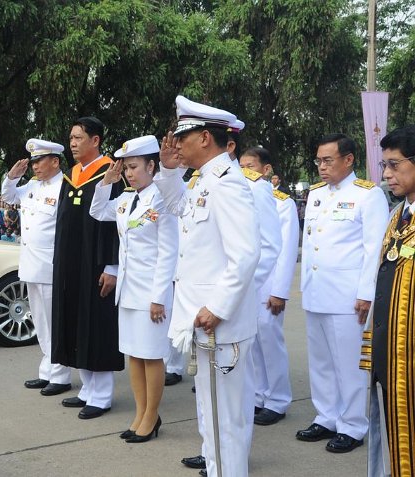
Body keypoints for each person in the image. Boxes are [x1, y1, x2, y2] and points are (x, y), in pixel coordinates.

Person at [155, 96, 260, 477]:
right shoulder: (204, 181)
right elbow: (176, 209)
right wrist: (168, 172)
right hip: (203, 320)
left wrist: (218, 306)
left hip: (219, 323)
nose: (176, 144)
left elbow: (245, 254)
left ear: (204, 138)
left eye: (182, 136)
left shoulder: (227, 183)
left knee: (224, 423)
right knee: (211, 419)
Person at [297, 133, 388, 453]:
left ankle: (352, 424)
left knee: (348, 364)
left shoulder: (368, 195)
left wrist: (366, 293)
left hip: (348, 297)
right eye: (318, 161)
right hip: (317, 291)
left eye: (328, 160)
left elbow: (374, 248)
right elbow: (310, 244)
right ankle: (326, 416)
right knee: (320, 361)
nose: (321, 167)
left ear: (348, 160)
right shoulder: (317, 193)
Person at [90, 135, 178, 443]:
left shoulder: (163, 199)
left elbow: (168, 252)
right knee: (134, 356)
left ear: (152, 166)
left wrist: (159, 298)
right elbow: (98, 212)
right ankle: (141, 414)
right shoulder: (127, 199)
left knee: (152, 356)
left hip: (151, 293)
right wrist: (105, 184)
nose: (129, 173)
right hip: (127, 292)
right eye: (126, 168)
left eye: (134, 166)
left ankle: (151, 416)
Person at [51, 116, 124, 419]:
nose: (73, 143)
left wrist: (112, 266)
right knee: (76, 321)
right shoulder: (72, 177)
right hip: (71, 265)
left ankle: (103, 395)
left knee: (96, 324)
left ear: (95, 141)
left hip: (97, 263)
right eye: (71, 138)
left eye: (79, 137)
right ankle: (86, 389)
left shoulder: (111, 175)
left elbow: (115, 227)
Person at [361, 125, 415, 477]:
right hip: (391, 355)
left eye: (394, 165)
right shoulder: (398, 215)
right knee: (391, 436)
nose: (386, 174)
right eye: (384, 165)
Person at [1, 138, 72, 397]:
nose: (34, 167)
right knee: (40, 321)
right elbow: (8, 197)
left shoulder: (65, 187)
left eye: (39, 161)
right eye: (32, 162)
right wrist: (11, 177)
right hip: (31, 264)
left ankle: (61, 375)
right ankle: (48, 370)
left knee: (56, 322)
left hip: (53, 265)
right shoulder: (30, 186)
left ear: (55, 161)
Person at [239, 147, 299, 426]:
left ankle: (277, 399)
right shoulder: (240, 194)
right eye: (241, 166)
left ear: (266, 170)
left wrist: (279, 291)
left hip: (269, 284)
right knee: (251, 343)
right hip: (247, 283)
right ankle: (258, 396)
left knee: (270, 341)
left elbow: (285, 250)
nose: (244, 171)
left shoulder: (281, 201)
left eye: (250, 166)